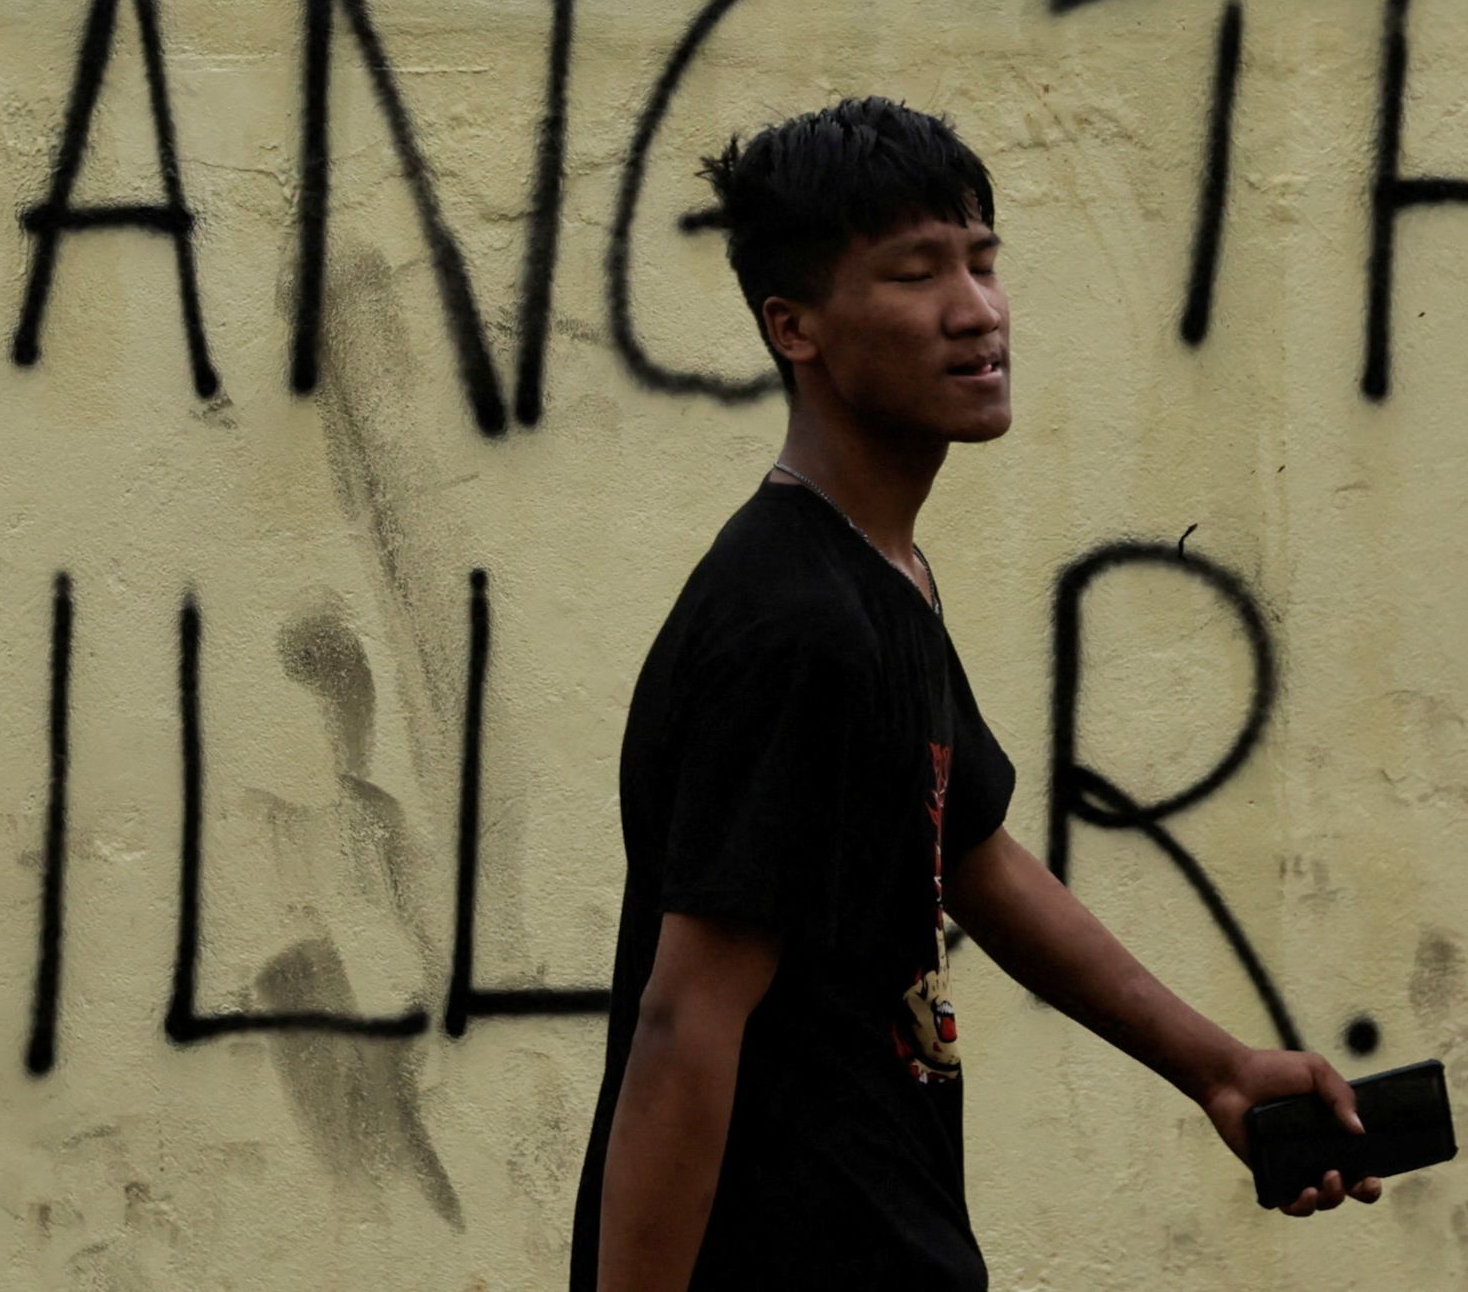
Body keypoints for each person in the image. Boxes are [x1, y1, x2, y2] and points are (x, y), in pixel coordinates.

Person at [572, 96, 1380, 1291]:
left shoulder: (877, 574)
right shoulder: (794, 624)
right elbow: (683, 1020)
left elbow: (974, 854)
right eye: (916, 273)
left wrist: (1217, 1067)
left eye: (982, 261)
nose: (976, 309)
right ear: (793, 326)